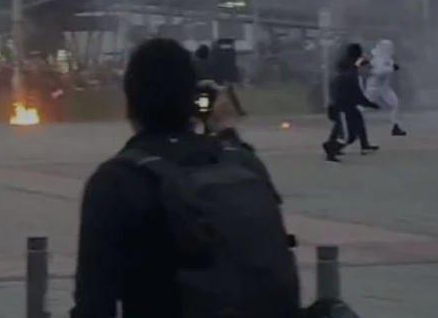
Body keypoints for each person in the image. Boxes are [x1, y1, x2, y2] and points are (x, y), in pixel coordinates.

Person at [70, 38, 301, 318]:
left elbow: (94, 303)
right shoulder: (241, 163)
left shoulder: (117, 180)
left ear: (130, 101)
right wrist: (226, 128)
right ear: (193, 100)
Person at [323, 44, 380, 162]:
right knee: (347, 134)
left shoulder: (347, 73)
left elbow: (355, 95)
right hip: (343, 106)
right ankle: (331, 148)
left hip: (346, 106)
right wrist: (370, 104)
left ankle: (334, 145)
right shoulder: (351, 76)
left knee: (352, 127)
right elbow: (356, 95)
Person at [364, 39, 407, 137]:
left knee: (395, 103)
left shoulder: (388, 58)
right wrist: (391, 69)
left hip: (384, 87)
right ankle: (350, 122)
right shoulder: (378, 58)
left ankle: (395, 125)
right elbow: (377, 72)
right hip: (373, 87)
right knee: (363, 105)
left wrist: (391, 68)